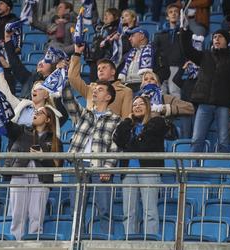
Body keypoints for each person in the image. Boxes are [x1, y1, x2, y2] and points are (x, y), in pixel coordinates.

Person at [61, 80, 120, 234]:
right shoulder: (84, 114)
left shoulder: (115, 119)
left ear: (108, 97)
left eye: (100, 89)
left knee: (104, 209)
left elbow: (114, 147)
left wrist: (108, 167)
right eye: (95, 89)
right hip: (78, 165)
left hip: (100, 167)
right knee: (76, 209)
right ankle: (77, 242)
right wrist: (65, 81)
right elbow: (68, 100)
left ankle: (106, 244)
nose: (95, 91)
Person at [5, 106, 62, 240]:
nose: (35, 114)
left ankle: (33, 244)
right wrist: (7, 172)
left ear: (48, 119)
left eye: (40, 112)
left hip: (41, 178)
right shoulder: (22, 132)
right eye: (35, 112)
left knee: (36, 216)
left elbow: (58, 165)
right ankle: (15, 244)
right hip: (19, 175)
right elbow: (11, 154)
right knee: (17, 215)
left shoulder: (55, 140)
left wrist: (43, 157)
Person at [180, 27, 230, 153]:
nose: (216, 39)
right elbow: (188, 51)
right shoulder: (205, 55)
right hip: (204, 104)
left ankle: (224, 171)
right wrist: (184, 32)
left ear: (227, 40)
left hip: (224, 104)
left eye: (220, 36)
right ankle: (192, 170)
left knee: (224, 140)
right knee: (196, 139)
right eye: (214, 37)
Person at [113, 96, 168, 235]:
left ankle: (150, 243)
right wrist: (127, 120)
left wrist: (131, 143)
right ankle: (129, 241)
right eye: (134, 105)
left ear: (148, 106)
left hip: (149, 170)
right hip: (128, 171)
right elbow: (118, 139)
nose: (137, 107)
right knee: (129, 212)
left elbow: (145, 145)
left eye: (141, 104)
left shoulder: (156, 122)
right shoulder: (129, 125)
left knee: (149, 211)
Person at [68, 44, 133, 118]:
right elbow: (72, 77)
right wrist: (77, 53)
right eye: (98, 69)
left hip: (109, 127)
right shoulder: (90, 89)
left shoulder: (125, 91)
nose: (100, 70)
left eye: (104, 67)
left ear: (113, 72)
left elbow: (126, 117)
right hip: (88, 126)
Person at [118, 27, 170, 93]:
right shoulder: (128, 54)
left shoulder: (155, 51)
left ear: (142, 36)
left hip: (144, 88)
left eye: (132, 36)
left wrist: (152, 84)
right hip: (126, 87)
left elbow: (164, 71)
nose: (129, 38)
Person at [153, 3, 184, 98]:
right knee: (161, 94)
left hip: (177, 66)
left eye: (176, 12)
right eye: (170, 12)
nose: (173, 14)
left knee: (175, 93)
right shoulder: (160, 35)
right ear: (167, 17)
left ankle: (175, 113)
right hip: (162, 68)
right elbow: (155, 51)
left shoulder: (184, 34)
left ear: (180, 16)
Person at [87, 8, 120, 81]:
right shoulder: (99, 28)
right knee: (93, 84)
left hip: (104, 59)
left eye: (109, 15)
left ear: (116, 17)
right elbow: (94, 16)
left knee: (103, 82)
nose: (105, 17)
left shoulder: (116, 29)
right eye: (105, 15)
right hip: (94, 59)